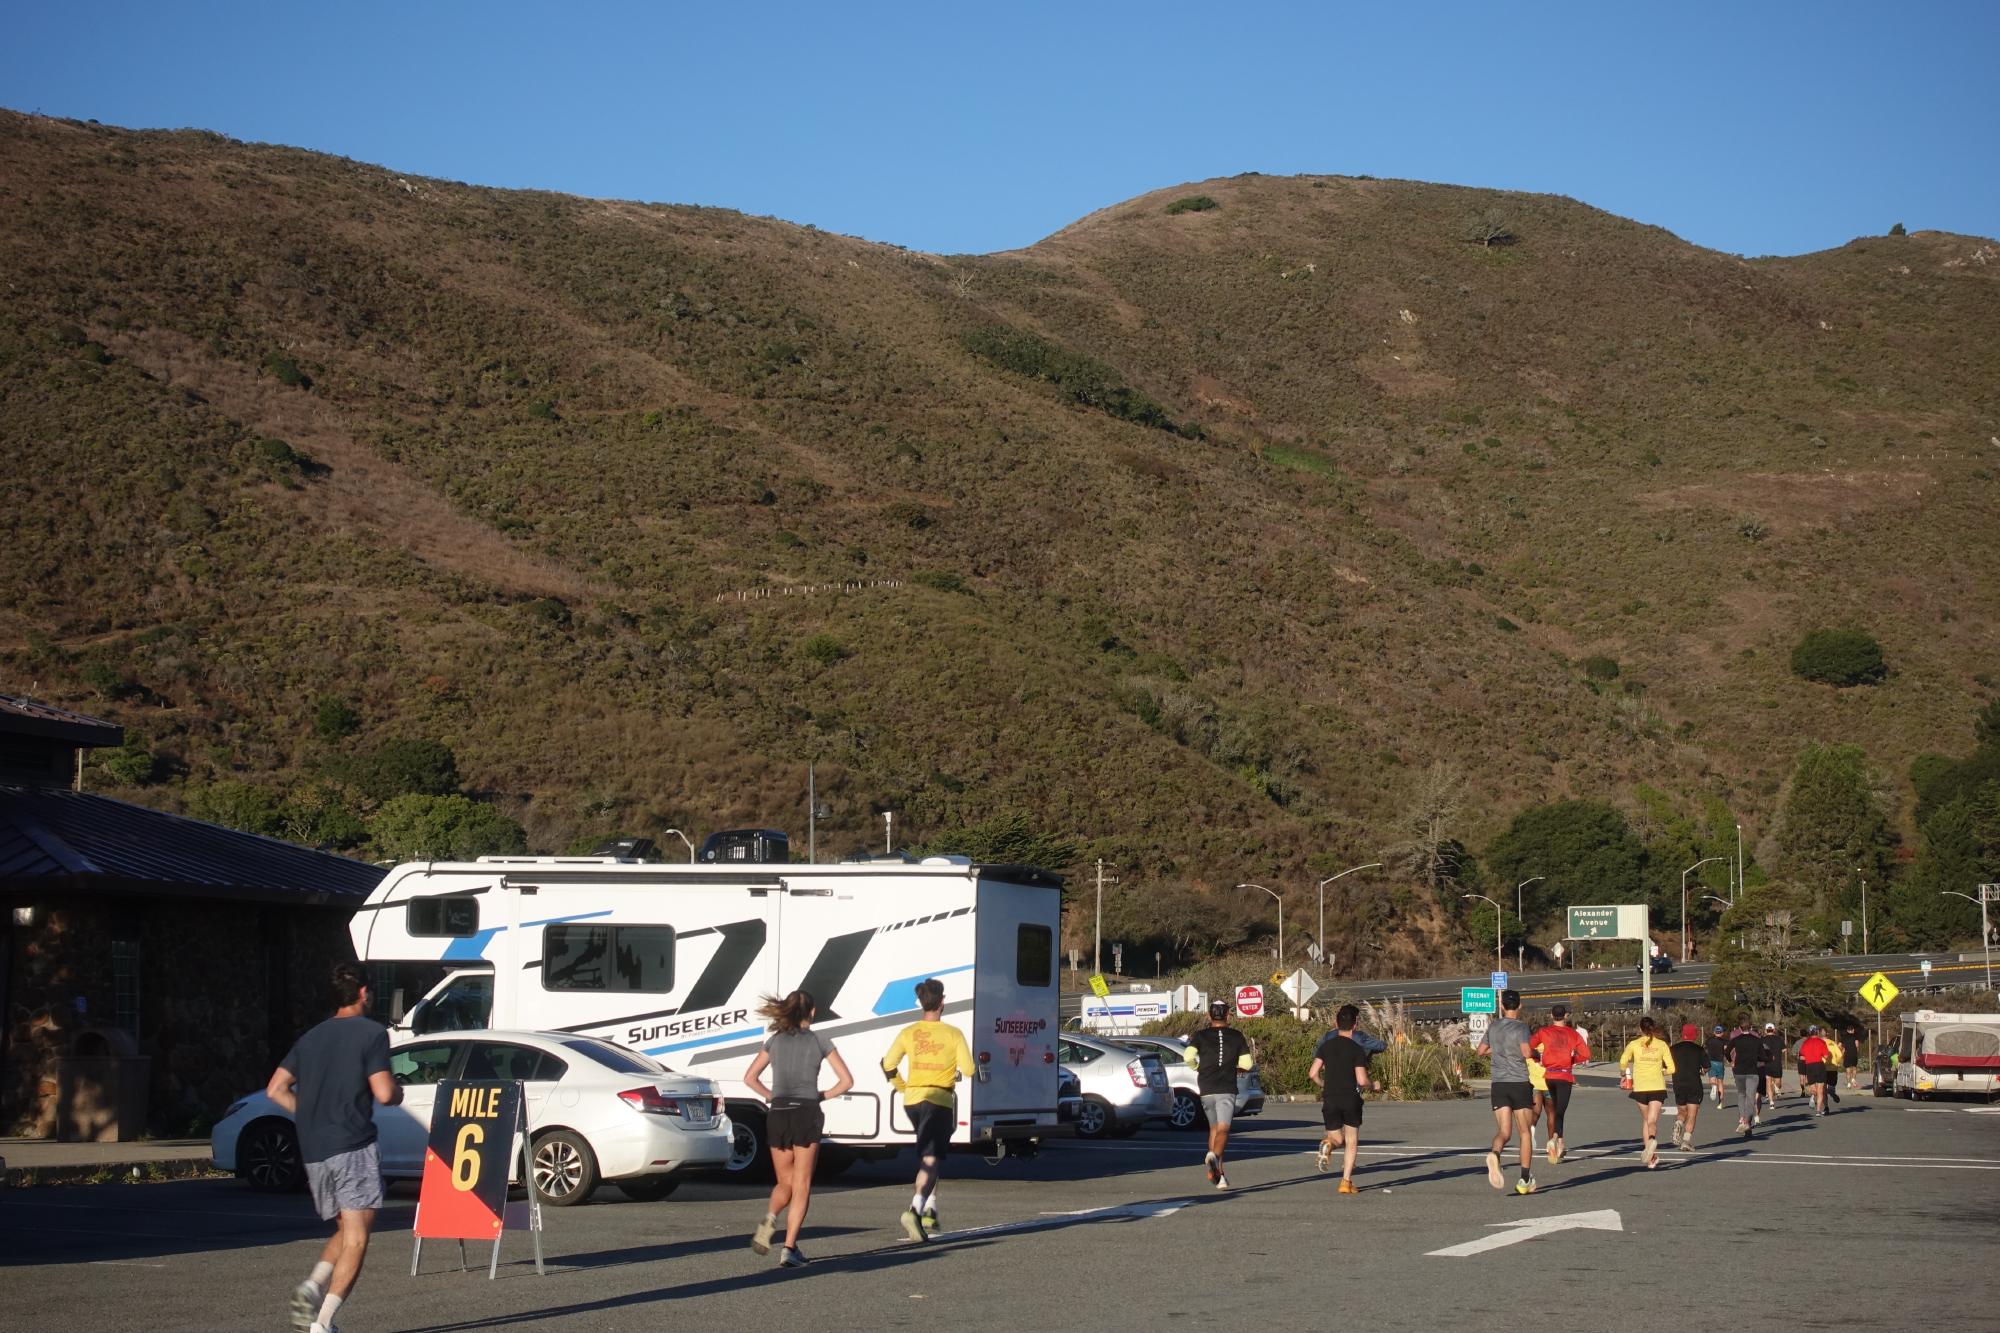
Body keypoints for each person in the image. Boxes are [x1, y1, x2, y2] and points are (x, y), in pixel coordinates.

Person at [269, 962, 401, 1333]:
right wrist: (398, 1092)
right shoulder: (372, 1033)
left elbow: (275, 1089)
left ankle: (312, 1287)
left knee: (347, 1227)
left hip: (314, 1150)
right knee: (358, 1236)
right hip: (352, 1144)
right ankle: (323, 1323)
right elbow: (384, 1092)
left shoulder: (310, 1038)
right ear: (363, 992)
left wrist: (311, 1116)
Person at [744, 989, 855, 1268]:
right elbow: (846, 1081)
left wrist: (771, 1096)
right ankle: (789, 1248)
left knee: (785, 1182)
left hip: (779, 1112)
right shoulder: (820, 1040)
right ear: (813, 1012)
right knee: (802, 1184)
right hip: (806, 1112)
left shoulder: (775, 1040)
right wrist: (822, 1096)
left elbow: (750, 1077)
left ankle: (770, 1219)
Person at [880, 977, 976, 1242]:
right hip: (939, 1099)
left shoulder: (908, 1032)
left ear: (921, 1002)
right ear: (942, 1001)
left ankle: (930, 1208)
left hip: (912, 1100)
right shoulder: (953, 1034)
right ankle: (915, 1209)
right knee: (931, 1158)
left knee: (930, 1153)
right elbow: (969, 1069)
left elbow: (888, 1064)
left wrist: (902, 1087)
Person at [1185, 998, 1254, 1189]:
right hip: (1226, 1087)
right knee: (1223, 1130)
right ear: (1228, 1015)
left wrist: (1197, 1067)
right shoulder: (1236, 1036)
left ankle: (1219, 1175)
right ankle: (1214, 1157)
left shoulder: (1200, 1035)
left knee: (1214, 1130)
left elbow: (1188, 1056)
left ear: (1209, 1015)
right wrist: (1236, 1069)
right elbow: (1247, 1064)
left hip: (1206, 1087)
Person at [1476, 990, 1537, 1194]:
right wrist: (1536, 1053)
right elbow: (1526, 1052)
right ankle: (1524, 1179)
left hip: (1499, 1085)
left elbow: (1480, 1051)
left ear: (1502, 1006)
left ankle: (1495, 1154)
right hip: (1519, 1083)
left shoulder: (1493, 1026)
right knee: (1524, 1132)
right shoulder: (1521, 1027)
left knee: (1504, 1132)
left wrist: (1499, 1049)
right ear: (1520, 1006)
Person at [1307, 1003, 1371, 1194]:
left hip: (1330, 1097)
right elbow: (1362, 1080)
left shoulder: (1325, 1046)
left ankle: (1329, 1145)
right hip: (1350, 1098)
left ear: (1336, 1024)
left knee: (1335, 1138)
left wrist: (1323, 1084)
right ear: (1355, 1025)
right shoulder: (1357, 1049)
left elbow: (1312, 1073)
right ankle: (1345, 1181)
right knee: (1351, 1140)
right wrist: (1373, 1085)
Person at [1530, 1003, 1590, 1165]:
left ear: (1551, 1015)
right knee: (1560, 1111)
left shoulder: (1544, 1032)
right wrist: (1572, 1060)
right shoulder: (1572, 1034)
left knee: (1557, 1110)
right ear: (1566, 1016)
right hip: (1564, 1076)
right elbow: (1586, 1054)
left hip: (1549, 1075)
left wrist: (1538, 1058)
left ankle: (1561, 1144)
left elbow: (1529, 1046)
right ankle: (1555, 1138)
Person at [1618, 1016, 1676, 1168]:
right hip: (1657, 1086)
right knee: (1652, 1121)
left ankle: (1650, 1157)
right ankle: (1651, 1140)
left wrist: (1623, 1074)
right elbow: (1672, 1068)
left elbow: (1623, 1060)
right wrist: (1661, 1071)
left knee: (1645, 1120)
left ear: (1640, 1029)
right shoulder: (1662, 1045)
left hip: (1641, 1087)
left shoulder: (1634, 1044)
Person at [1727, 1017, 1766, 1138]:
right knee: (1750, 1097)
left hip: (1739, 1070)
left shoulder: (1736, 1039)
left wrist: (1731, 1061)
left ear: (1740, 1027)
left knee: (1741, 1095)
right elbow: (1762, 1056)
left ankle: (1742, 1119)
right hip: (1752, 1071)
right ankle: (1746, 1122)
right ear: (1750, 1027)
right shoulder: (1757, 1040)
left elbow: (1727, 1051)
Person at [1669, 1023, 1707, 1150]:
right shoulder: (1699, 1049)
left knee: (1681, 1110)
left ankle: (1679, 1123)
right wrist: (1702, 1071)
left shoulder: (1673, 1049)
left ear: (1683, 1034)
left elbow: (1666, 1065)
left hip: (1678, 1083)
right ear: (1694, 1035)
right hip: (1694, 1084)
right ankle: (1686, 1140)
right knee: (1692, 1114)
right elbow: (1706, 1066)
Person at [1798, 1025, 1830, 1117]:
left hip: (1809, 1066)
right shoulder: (1821, 1042)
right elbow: (1826, 1056)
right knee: (1820, 1090)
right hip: (1819, 1065)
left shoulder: (1805, 1043)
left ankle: (1812, 1097)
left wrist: (1809, 1056)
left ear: (1809, 1032)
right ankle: (1818, 1111)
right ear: (1817, 1032)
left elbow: (1801, 1057)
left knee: (1813, 1089)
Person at [1760, 1022, 1786, 1110]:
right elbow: (1784, 1049)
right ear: (1774, 1030)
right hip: (1777, 1063)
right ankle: (1772, 1100)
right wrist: (1778, 1052)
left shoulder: (1762, 1039)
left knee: (1769, 1082)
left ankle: (1771, 1101)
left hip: (1767, 1063)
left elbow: (1759, 1050)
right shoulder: (1779, 1039)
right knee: (1777, 1082)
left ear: (1765, 1030)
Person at [1705, 1024, 1730, 1106]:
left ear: (1714, 1032)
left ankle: (1713, 1086)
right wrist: (1729, 1060)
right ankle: (1720, 1102)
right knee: (1720, 1082)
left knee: (1712, 1079)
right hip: (1720, 1062)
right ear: (1722, 1033)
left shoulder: (1709, 1040)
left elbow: (1705, 1049)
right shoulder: (1724, 1041)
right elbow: (1726, 1051)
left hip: (1711, 1062)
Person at [1823, 1030, 1845, 1108]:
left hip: (1822, 1068)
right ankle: (1832, 1094)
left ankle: (1826, 1107)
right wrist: (1836, 1062)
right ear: (1827, 1034)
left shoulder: (1818, 1043)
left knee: (1823, 1090)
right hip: (1833, 1068)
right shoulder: (1833, 1043)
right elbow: (1839, 1055)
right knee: (1831, 1088)